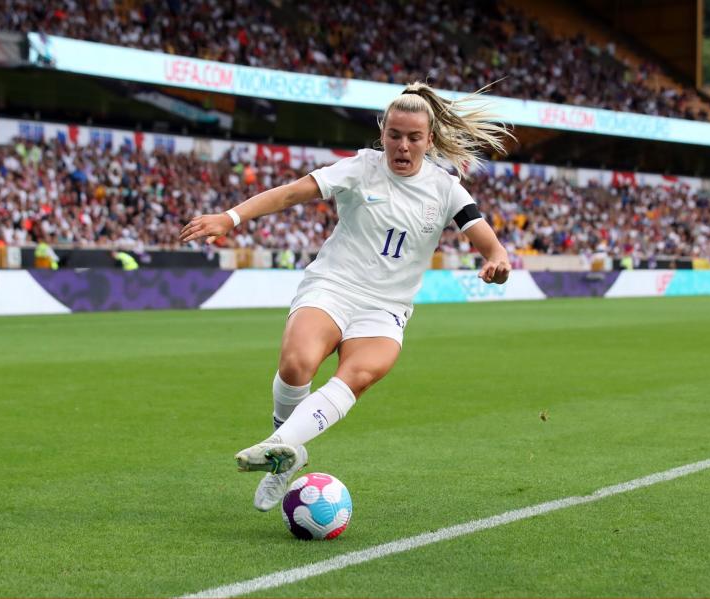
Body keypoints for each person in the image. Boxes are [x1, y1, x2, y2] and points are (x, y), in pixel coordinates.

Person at [180, 82, 513, 512]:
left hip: (387, 308)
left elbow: (490, 244)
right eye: (395, 134)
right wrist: (231, 217)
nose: (403, 145)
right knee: (297, 363)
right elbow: (289, 193)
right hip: (334, 286)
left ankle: (280, 450)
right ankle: (284, 454)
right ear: (383, 132)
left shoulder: (447, 189)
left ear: (429, 140)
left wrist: (497, 262)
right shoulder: (360, 168)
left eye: (414, 137)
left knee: (358, 373)